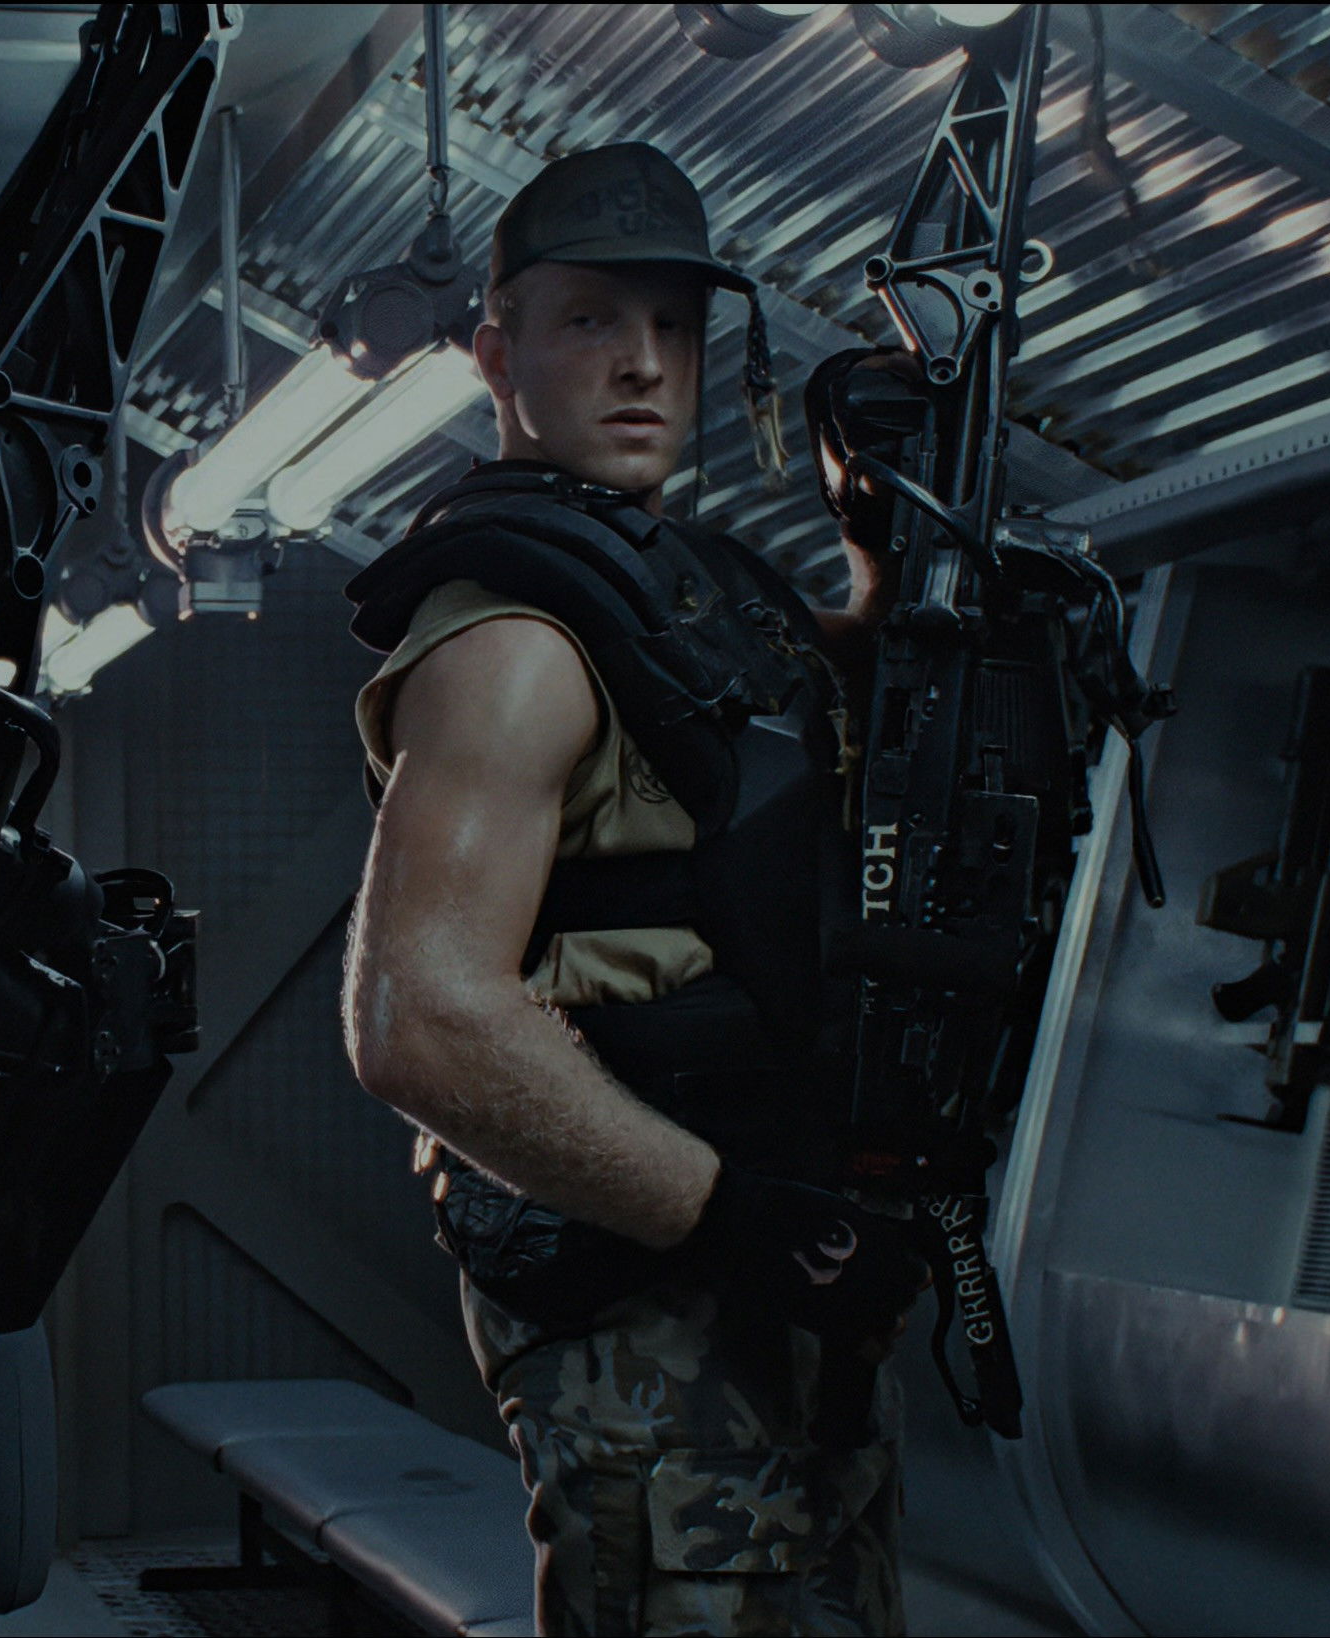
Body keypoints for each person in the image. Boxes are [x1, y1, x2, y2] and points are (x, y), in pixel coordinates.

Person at [340, 142, 931, 1635]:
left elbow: (819, 733)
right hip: (652, 1294)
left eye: (674, 324)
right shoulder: (512, 644)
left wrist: (881, 542)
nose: (644, 364)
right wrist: (737, 1217)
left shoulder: (694, 588)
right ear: (499, 355)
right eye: (593, 319)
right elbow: (418, 1018)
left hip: (777, 1264)